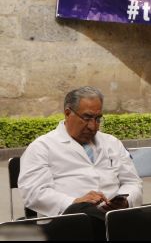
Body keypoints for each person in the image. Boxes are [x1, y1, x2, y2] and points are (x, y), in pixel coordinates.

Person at [18, 87, 142, 237]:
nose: (93, 126)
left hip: (114, 216)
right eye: (87, 118)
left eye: (97, 119)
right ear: (68, 113)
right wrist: (75, 201)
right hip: (67, 222)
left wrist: (124, 201)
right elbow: (33, 192)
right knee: (81, 213)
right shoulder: (42, 147)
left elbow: (133, 182)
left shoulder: (112, 142)